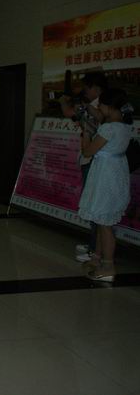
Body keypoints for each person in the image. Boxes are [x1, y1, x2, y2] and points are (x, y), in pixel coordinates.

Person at [77, 88, 134, 282]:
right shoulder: (124, 126)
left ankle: (108, 267)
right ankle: (97, 259)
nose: (99, 108)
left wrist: (85, 134)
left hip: (105, 177)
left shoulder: (108, 128)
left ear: (109, 107)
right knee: (103, 221)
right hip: (115, 173)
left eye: (101, 104)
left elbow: (87, 152)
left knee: (104, 224)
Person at [60, 72, 107, 262]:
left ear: (96, 88)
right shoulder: (92, 106)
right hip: (89, 160)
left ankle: (96, 250)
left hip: (96, 161)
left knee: (96, 208)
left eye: (87, 88)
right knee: (92, 206)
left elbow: (94, 125)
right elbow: (74, 116)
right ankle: (94, 246)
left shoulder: (103, 108)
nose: (85, 91)